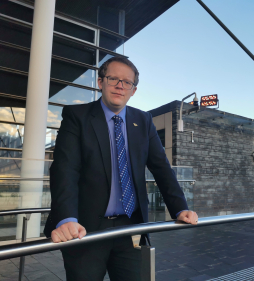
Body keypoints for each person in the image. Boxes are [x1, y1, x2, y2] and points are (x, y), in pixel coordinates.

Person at [44, 56, 198, 281]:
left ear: (133, 90)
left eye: (127, 82)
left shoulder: (143, 120)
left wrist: (179, 209)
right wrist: (67, 218)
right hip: (85, 230)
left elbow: (161, 168)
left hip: (130, 229)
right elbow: (65, 170)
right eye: (113, 78)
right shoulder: (77, 117)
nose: (120, 85)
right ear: (100, 82)